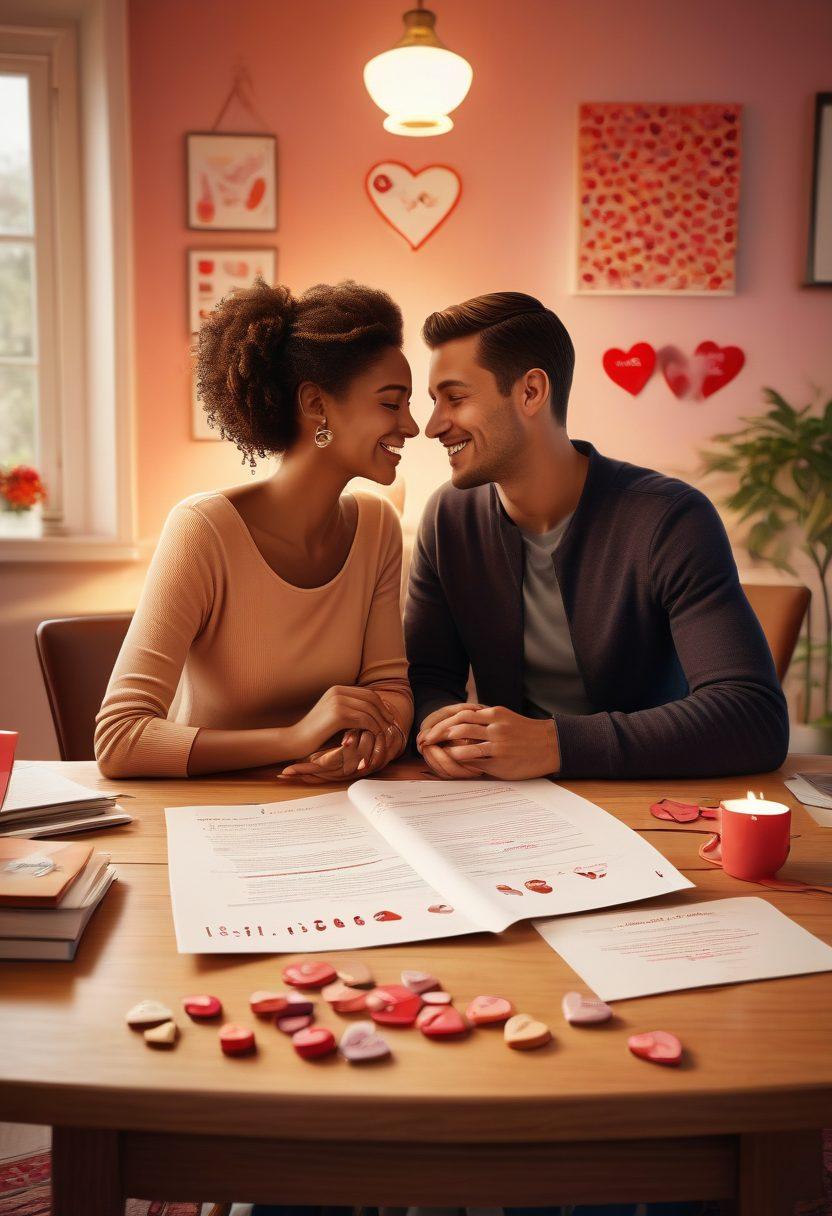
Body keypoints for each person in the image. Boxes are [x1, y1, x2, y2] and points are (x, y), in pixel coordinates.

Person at [405, 291, 789, 781]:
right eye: (435, 401)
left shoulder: (670, 519)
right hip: (512, 805)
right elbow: (429, 679)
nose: (433, 425)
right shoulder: (447, 518)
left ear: (530, 392)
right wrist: (442, 727)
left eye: (455, 399)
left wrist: (555, 744)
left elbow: (752, 716)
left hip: (650, 801)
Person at [95, 279, 418, 780]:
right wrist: (296, 738)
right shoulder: (202, 531)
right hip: (208, 814)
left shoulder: (378, 527)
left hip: (333, 809)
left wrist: (365, 743)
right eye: (391, 403)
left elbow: (389, 691)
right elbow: (120, 739)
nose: (412, 425)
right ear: (316, 405)